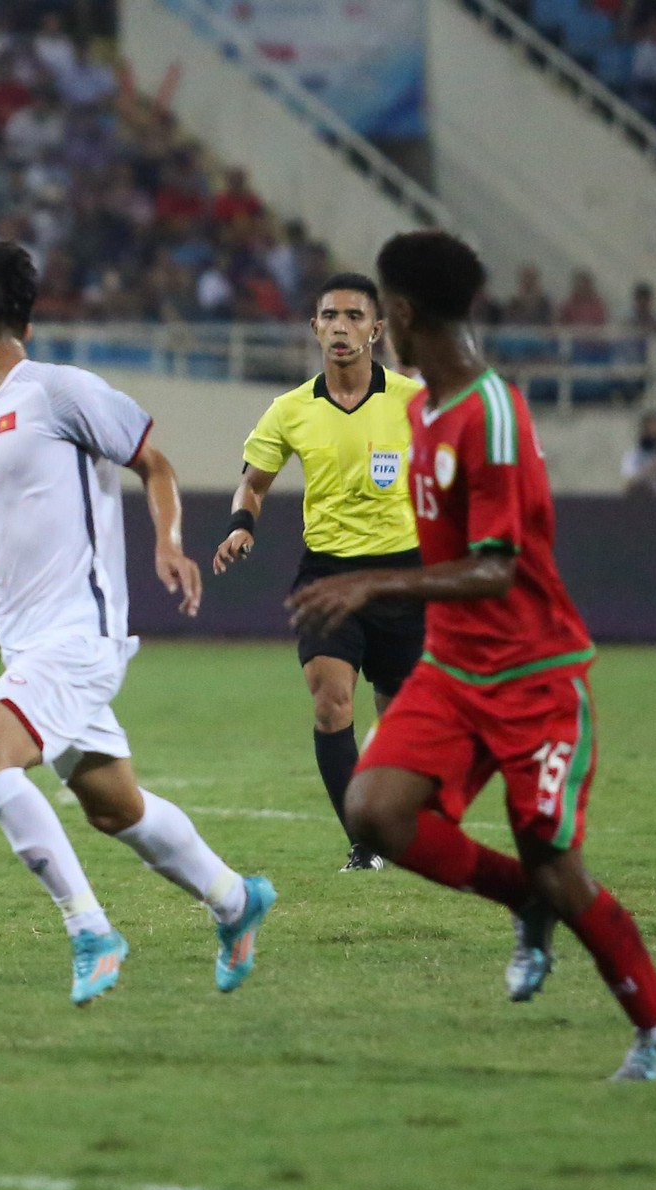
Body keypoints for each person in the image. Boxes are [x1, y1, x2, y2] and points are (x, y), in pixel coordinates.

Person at [287, 230, 656, 1081]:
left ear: (397, 312)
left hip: (534, 676)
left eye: (378, 309)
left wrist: (373, 586)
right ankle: (523, 902)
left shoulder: (490, 412)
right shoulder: (423, 408)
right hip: (455, 671)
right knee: (374, 812)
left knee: (554, 858)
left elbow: (498, 564)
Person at [0, 241, 275, 1005]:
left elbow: (154, 462)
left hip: (77, 636)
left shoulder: (57, 392)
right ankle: (234, 899)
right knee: (116, 805)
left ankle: (91, 929)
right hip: (38, 643)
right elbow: (8, 542)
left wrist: (170, 541)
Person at [213, 273, 426, 871]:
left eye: (354, 316)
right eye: (329, 315)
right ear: (314, 327)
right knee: (332, 702)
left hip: (401, 577)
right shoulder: (290, 410)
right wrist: (240, 525)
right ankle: (364, 843)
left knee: (402, 719)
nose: (340, 326)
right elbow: (254, 482)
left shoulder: (413, 403)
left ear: (377, 330)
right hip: (327, 575)